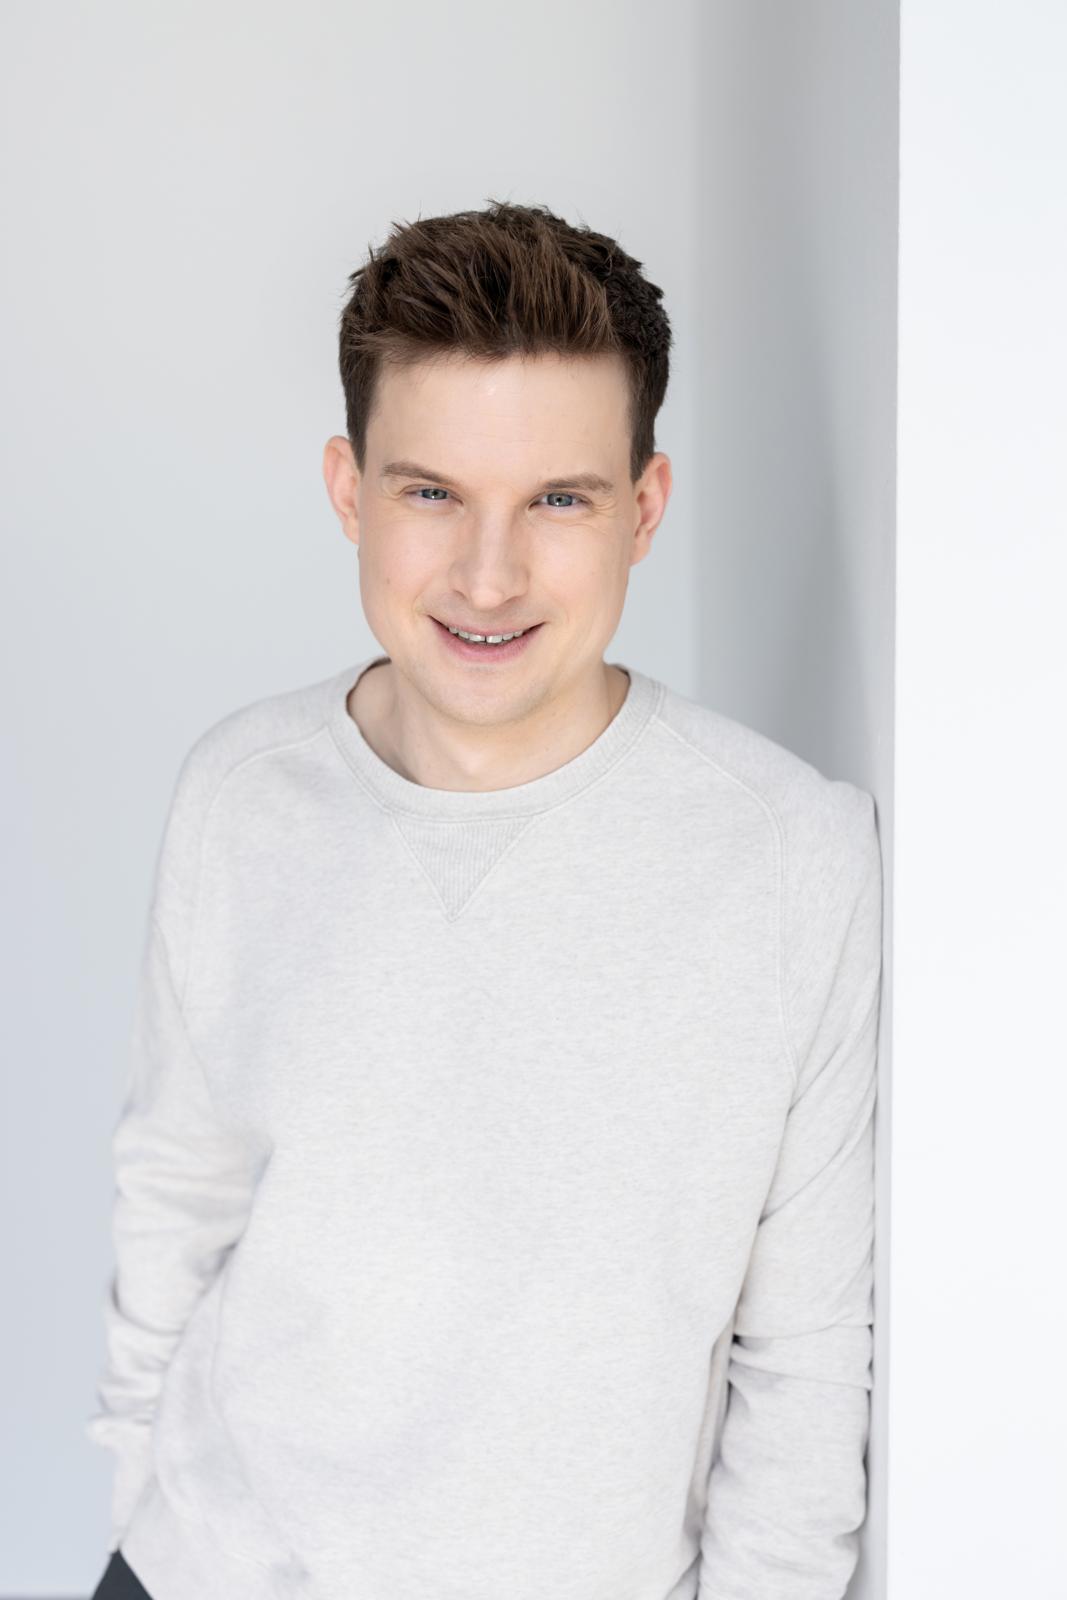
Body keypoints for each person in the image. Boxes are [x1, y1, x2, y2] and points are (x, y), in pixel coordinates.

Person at [87, 198, 883, 1600]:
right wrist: (142, 1491)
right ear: (349, 491)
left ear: (644, 508)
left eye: (558, 500)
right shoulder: (241, 794)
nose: (488, 576)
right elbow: (177, 1187)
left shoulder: (792, 858)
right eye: (431, 494)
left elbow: (806, 1367)